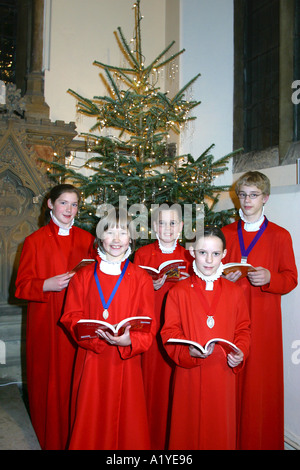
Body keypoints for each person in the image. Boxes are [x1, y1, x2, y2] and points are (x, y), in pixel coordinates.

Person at [60, 208, 155, 450]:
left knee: (126, 422)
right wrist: (93, 337)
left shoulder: (141, 278)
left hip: (126, 363)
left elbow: (148, 326)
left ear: (131, 239)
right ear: (100, 237)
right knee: (91, 416)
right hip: (92, 359)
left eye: (122, 232)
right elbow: (71, 317)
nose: (115, 239)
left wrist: (130, 340)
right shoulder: (82, 276)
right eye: (109, 232)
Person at [15, 184, 96, 450]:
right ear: (50, 204)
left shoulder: (86, 239)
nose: (69, 210)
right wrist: (45, 284)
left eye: (74, 205)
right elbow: (21, 286)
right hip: (46, 322)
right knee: (48, 382)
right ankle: (48, 439)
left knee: (75, 382)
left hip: (77, 319)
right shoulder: (34, 241)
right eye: (64, 203)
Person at [222, 171, 298, 450]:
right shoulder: (227, 234)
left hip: (264, 322)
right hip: (230, 319)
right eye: (242, 195)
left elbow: (291, 278)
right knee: (231, 381)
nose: (247, 201)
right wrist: (222, 277)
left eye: (253, 195)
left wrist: (270, 279)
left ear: (265, 198)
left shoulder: (279, 235)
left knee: (259, 387)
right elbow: (211, 273)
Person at [160, 226, 250, 450]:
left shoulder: (235, 292)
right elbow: (169, 333)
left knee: (219, 432)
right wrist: (186, 351)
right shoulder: (178, 292)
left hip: (222, 375)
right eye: (202, 253)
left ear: (225, 254)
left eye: (216, 254)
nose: (209, 260)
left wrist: (240, 353)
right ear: (192, 252)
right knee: (187, 431)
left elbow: (243, 330)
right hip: (188, 375)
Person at [133, 203, 192, 449]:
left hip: (179, 328)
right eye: (161, 223)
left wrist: (191, 283)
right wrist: (148, 286)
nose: (167, 228)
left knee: (176, 384)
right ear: (153, 226)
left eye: (172, 223)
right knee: (151, 383)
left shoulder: (190, 255)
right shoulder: (142, 255)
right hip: (151, 325)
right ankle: (148, 439)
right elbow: (131, 293)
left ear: (180, 226)